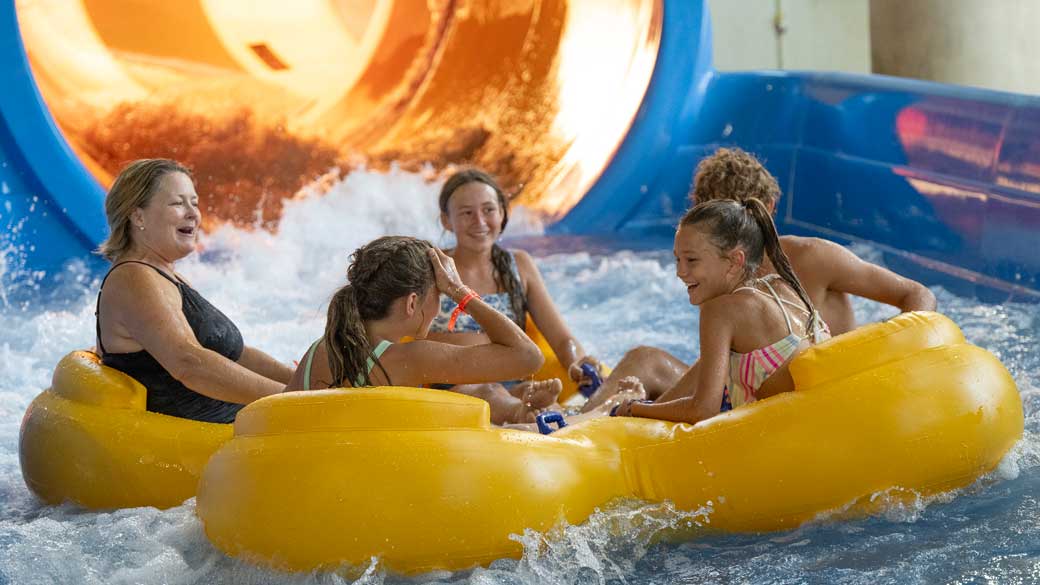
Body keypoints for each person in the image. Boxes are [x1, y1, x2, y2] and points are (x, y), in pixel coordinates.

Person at [582, 147, 937, 411]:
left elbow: (918, 294)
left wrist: (898, 362)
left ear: (764, 209)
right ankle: (577, 423)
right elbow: (716, 365)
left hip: (819, 397)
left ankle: (590, 421)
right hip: (746, 388)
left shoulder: (811, 258)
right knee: (643, 359)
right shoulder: (724, 281)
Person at [95, 159, 291, 423]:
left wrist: (303, 382)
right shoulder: (133, 278)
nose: (193, 214)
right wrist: (290, 398)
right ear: (138, 216)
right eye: (178, 203)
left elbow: (235, 354)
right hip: (189, 444)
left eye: (194, 203)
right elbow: (189, 363)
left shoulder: (166, 276)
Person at [285, 236, 557, 425]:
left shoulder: (319, 350)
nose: (441, 304)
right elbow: (528, 357)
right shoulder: (410, 358)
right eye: (439, 293)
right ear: (412, 302)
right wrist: (459, 291)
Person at [609, 199, 830, 423]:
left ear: (735, 261)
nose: (680, 272)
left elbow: (703, 410)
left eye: (691, 260)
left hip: (791, 437)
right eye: (677, 259)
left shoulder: (721, 311)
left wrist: (631, 409)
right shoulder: (782, 286)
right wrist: (647, 406)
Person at [426, 169, 602, 412]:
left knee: (522, 395)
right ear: (447, 220)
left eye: (489, 210)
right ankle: (523, 409)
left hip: (511, 384)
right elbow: (407, 336)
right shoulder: (433, 268)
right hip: (453, 389)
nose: (480, 222)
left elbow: (562, 339)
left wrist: (578, 364)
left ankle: (531, 406)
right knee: (488, 392)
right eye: (467, 213)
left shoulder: (518, 266)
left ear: (502, 213)